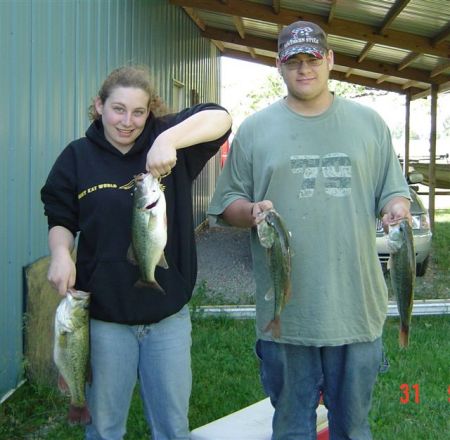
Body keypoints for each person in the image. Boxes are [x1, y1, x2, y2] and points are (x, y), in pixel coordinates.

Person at [208, 21, 411, 440]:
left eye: (312, 59)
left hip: (356, 309)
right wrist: (250, 213)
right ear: (279, 67)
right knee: (291, 428)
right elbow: (226, 205)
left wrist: (396, 209)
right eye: (293, 61)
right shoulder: (256, 129)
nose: (304, 69)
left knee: (353, 429)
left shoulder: (369, 124)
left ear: (330, 61)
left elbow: (394, 192)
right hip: (287, 316)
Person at [41, 65, 231, 440]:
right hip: (106, 318)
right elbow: (60, 216)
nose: (128, 122)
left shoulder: (170, 144)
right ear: (99, 106)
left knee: (173, 427)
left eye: (139, 112)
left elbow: (221, 118)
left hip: (167, 318)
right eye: (118, 109)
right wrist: (61, 253)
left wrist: (168, 141)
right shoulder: (77, 157)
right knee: (105, 428)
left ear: (150, 111)